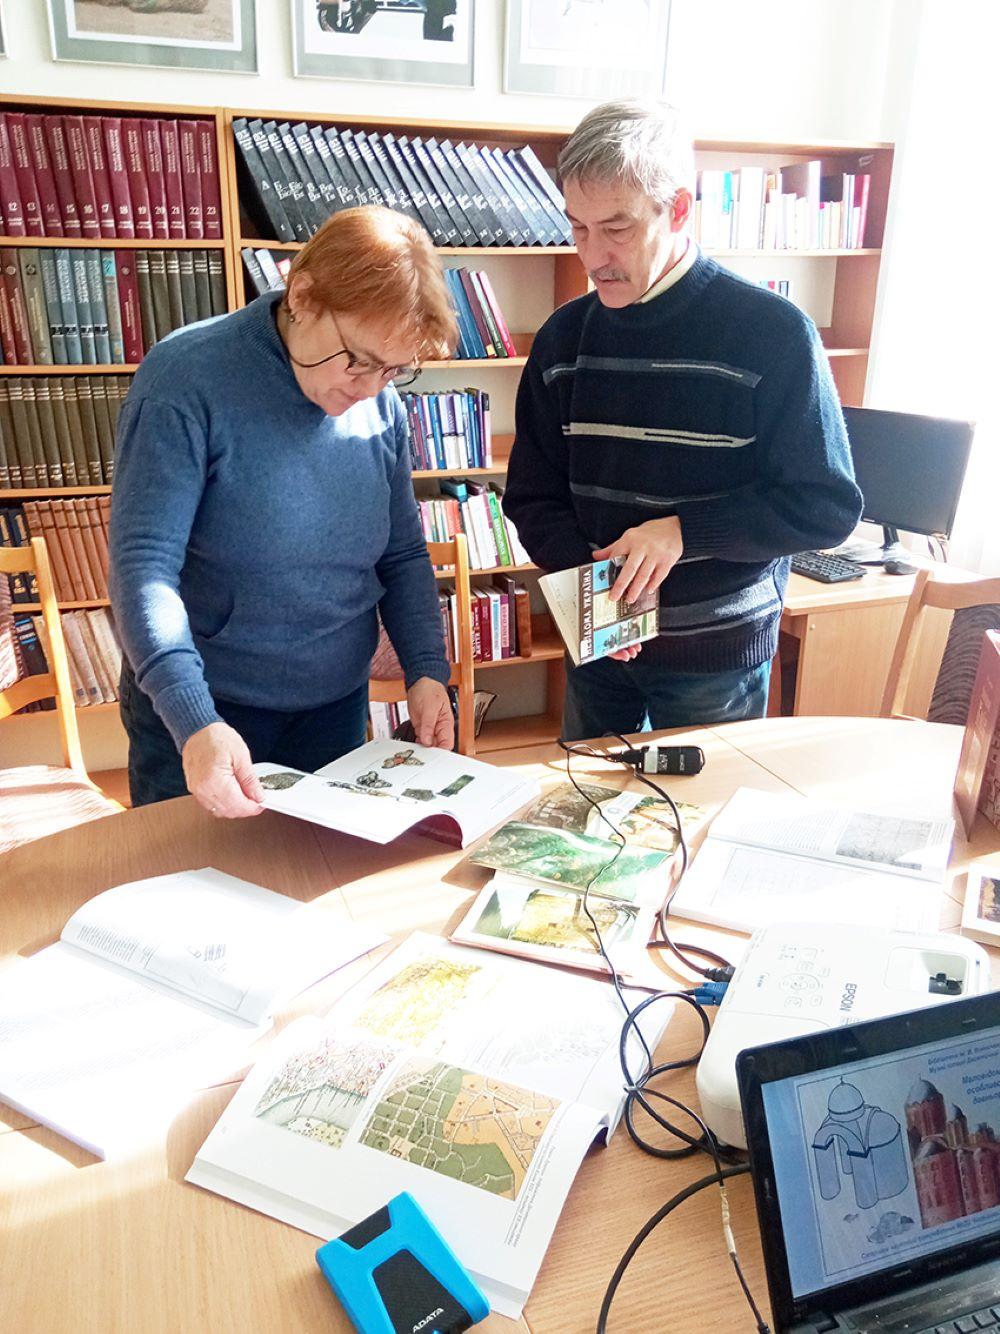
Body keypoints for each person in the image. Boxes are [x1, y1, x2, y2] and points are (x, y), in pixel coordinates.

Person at [503, 101, 863, 740]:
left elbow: (825, 507)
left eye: (616, 228)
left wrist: (683, 532)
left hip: (715, 662)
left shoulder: (773, 334)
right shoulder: (562, 340)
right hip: (599, 647)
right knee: (590, 802)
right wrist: (597, 597)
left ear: (677, 209)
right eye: (578, 227)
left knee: (703, 804)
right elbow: (532, 497)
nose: (592, 256)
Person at [110, 205, 457, 816]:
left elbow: (401, 553)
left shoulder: (381, 407)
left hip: (334, 712)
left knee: (321, 874)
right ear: (303, 296)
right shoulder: (185, 380)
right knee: (195, 874)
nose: (370, 388)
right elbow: (144, 569)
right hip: (207, 713)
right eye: (358, 359)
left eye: (393, 370)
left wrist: (426, 670)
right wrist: (194, 721)